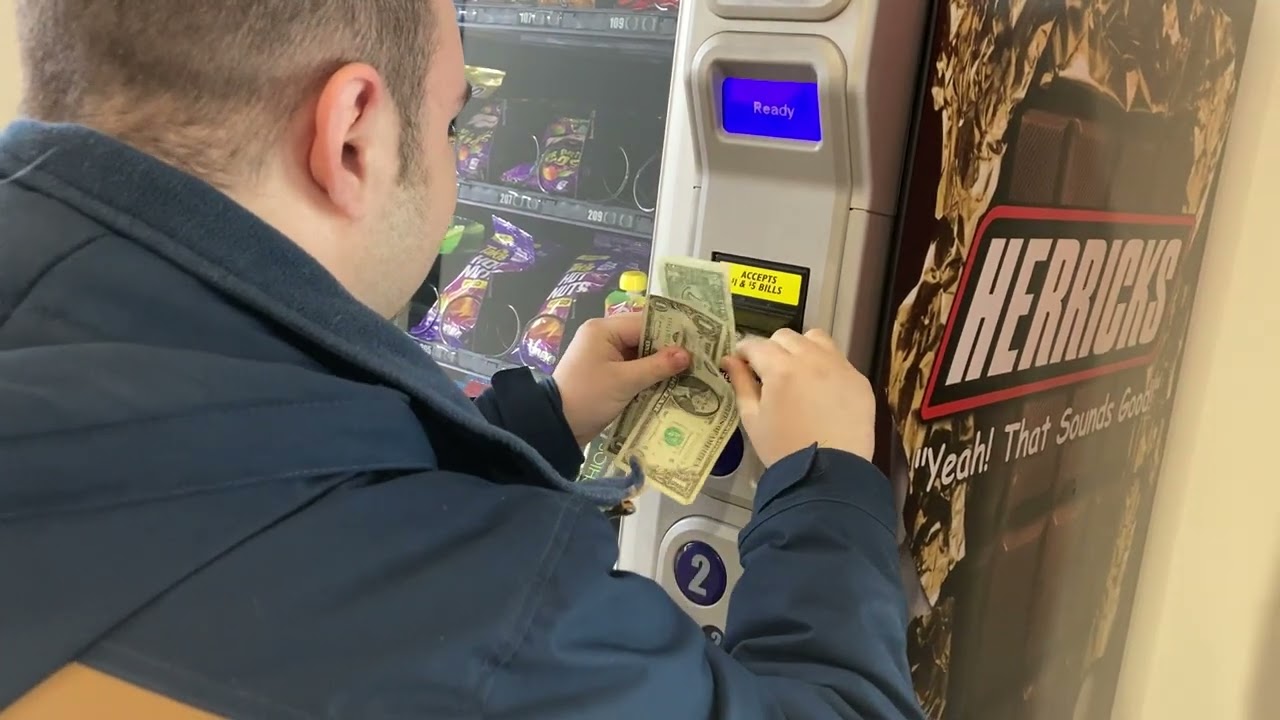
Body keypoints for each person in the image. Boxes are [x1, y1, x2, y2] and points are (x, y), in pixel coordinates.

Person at [0, 1, 924, 718]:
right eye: (450, 125)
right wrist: (828, 482)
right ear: (352, 132)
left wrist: (534, 426)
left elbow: (218, 465)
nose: (452, 162)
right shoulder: (488, 625)